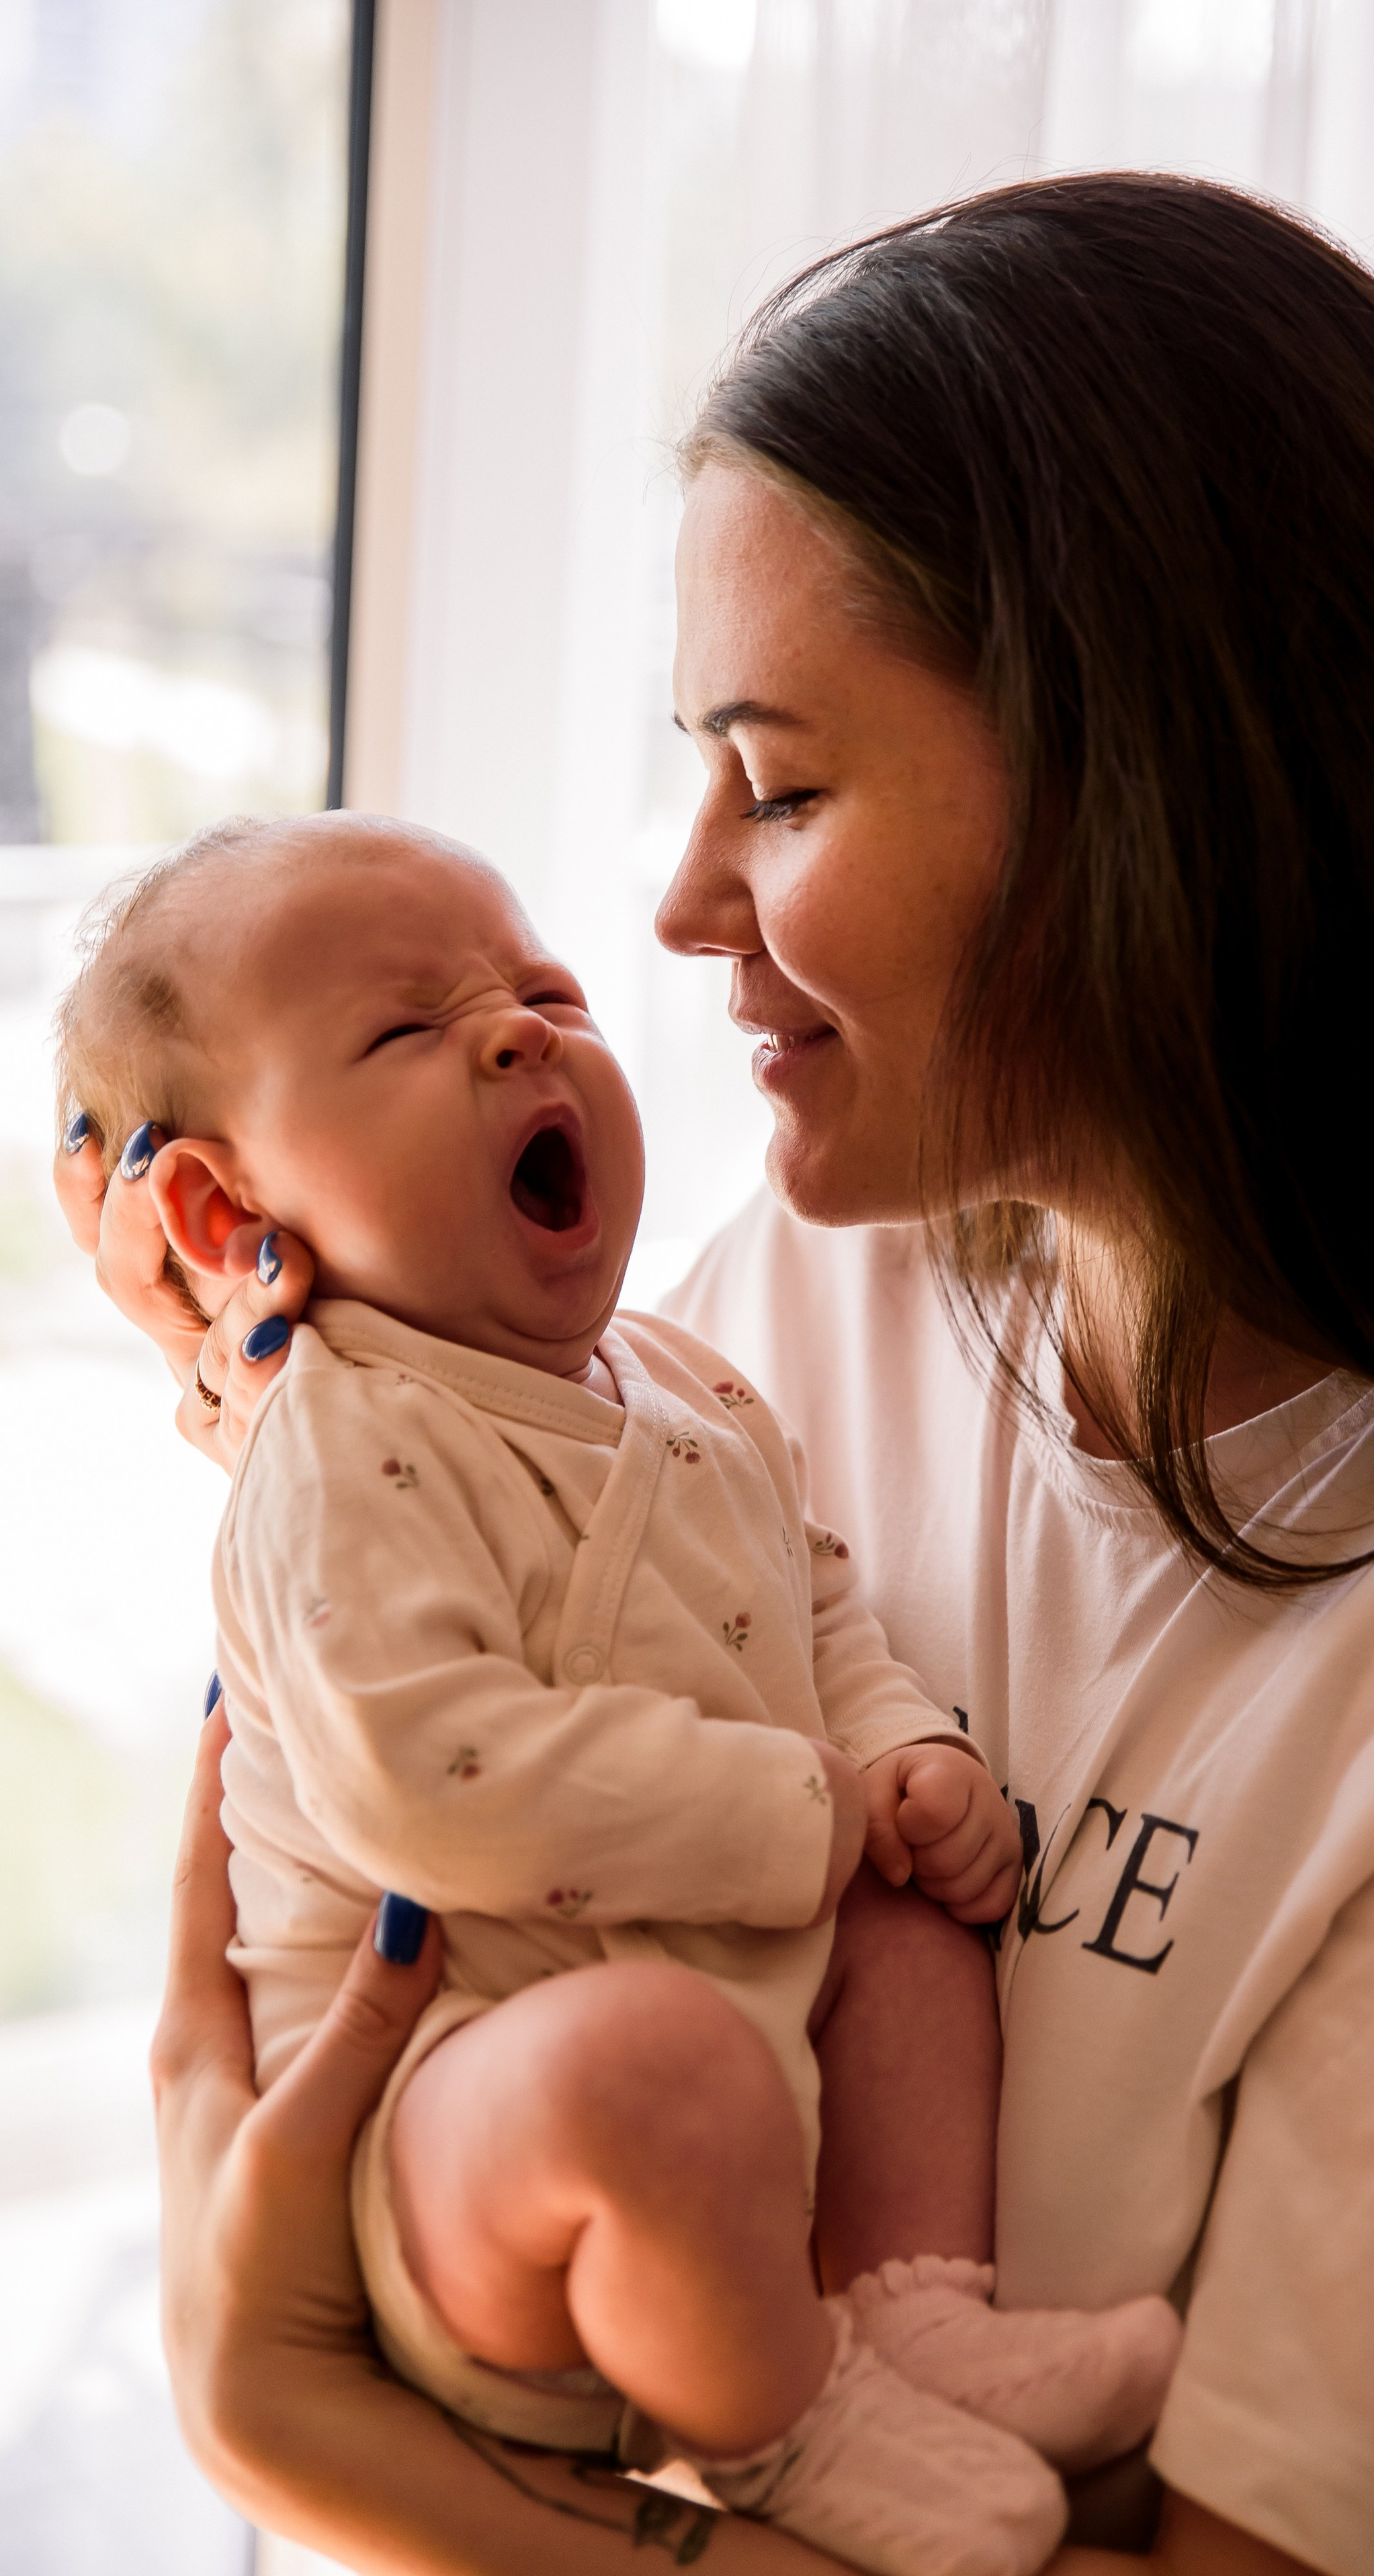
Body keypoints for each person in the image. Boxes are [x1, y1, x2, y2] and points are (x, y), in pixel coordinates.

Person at [58, 173, 1374, 2575]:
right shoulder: (821, 1293)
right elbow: (416, 1771)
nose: (674, 905)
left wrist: (329, 2446)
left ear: (1169, 792)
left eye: (789, 780)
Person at [56, 812, 1181, 2574]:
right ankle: (790, 2429)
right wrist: (793, 1807)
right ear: (224, 1205)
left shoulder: (681, 1377)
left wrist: (893, 1753)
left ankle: (912, 2304)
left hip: (718, 2041)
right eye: (407, 1030)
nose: (518, 1030)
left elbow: (813, 1599)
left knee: (907, 1921)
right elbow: (432, 1772)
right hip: (442, 2139)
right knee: (655, 2051)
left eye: (542, 990)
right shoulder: (333, 1442)